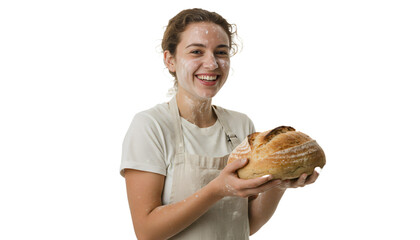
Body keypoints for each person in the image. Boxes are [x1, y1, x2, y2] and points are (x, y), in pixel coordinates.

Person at [120, 8, 319, 240]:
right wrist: (217, 190)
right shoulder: (151, 126)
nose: (212, 63)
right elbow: (146, 232)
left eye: (221, 52)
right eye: (196, 51)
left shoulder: (240, 125)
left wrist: (279, 183)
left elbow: (245, 225)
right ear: (170, 60)